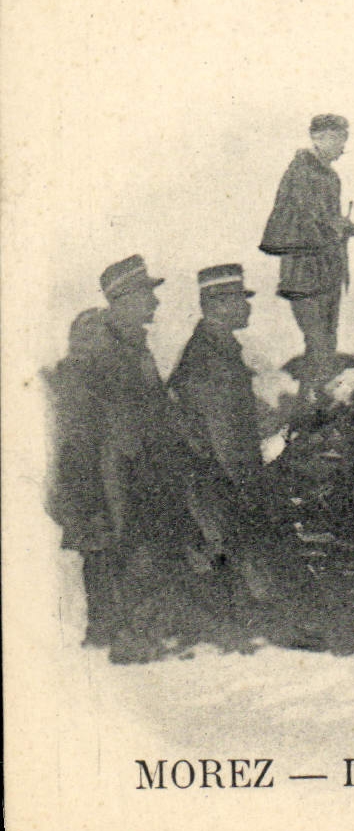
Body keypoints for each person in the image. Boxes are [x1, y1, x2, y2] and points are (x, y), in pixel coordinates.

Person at [49, 256, 233, 661]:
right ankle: (122, 642)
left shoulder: (131, 345)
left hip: (136, 470)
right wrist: (89, 498)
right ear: (124, 298)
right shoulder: (103, 352)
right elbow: (83, 430)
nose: (155, 303)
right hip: (110, 475)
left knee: (131, 556)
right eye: (148, 294)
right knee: (118, 554)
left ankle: (119, 635)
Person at [168, 264, 279, 606]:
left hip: (215, 477)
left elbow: (237, 412)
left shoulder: (218, 349)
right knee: (238, 564)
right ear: (215, 305)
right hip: (219, 480)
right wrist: (251, 488)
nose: (247, 307)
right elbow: (224, 437)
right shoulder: (211, 359)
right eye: (239, 300)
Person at [259, 114, 354, 392]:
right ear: (319, 138)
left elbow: (323, 219)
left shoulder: (326, 175)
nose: (343, 147)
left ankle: (317, 400)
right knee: (319, 342)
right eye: (338, 139)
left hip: (326, 268)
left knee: (325, 341)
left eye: (344, 139)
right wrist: (347, 227)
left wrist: (345, 227)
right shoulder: (302, 172)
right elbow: (310, 218)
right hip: (305, 272)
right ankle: (311, 402)